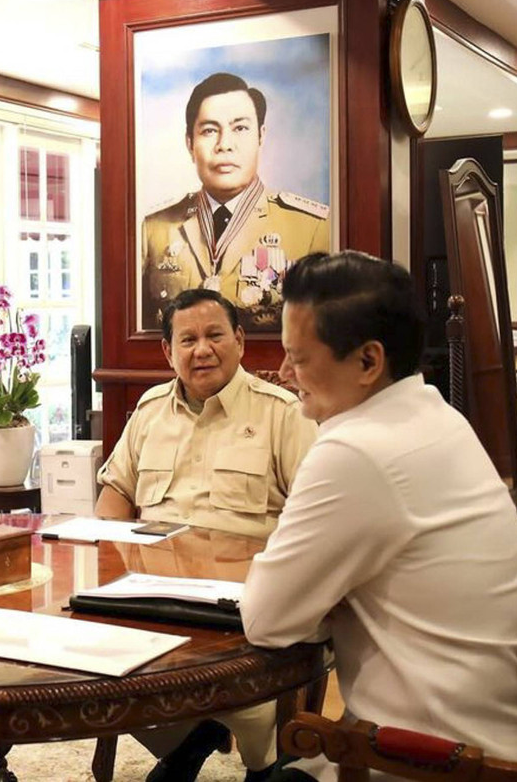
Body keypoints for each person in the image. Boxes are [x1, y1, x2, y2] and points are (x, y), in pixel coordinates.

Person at [241, 252, 517, 782]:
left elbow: (266, 621)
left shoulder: (355, 452)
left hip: (447, 763)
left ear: (368, 362)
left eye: (298, 358)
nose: (285, 374)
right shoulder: (439, 416)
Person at [96, 287, 318, 782]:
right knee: (96, 669)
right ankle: (188, 735)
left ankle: (259, 765)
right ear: (167, 351)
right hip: (149, 591)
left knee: (241, 687)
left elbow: (313, 519)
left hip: (239, 602)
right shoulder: (150, 410)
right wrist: (112, 565)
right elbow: (114, 491)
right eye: (188, 339)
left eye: (215, 335)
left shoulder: (282, 413)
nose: (202, 350)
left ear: (239, 340)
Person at [141, 72, 329, 330]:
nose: (224, 145)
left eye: (240, 128)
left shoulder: (313, 228)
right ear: (189, 143)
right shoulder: (153, 229)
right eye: (209, 130)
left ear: (261, 136)